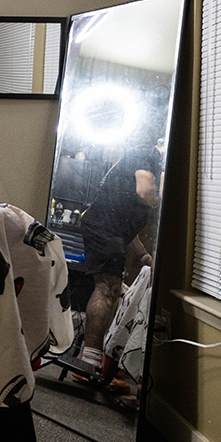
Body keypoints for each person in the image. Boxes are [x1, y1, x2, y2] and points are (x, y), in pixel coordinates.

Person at [76, 141, 164, 382]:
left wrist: (143, 256)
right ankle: (89, 361)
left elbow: (126, 226)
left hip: (107, 228)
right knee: (108, 288)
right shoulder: (148, 153)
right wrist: (161, 197)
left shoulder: (141, 162)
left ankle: (91, 356)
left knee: (111, 289)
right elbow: (145, 192)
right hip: (104, 228)